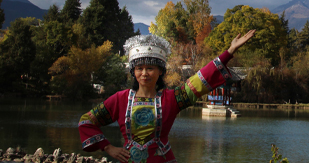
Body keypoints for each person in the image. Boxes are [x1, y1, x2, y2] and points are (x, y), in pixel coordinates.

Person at [78, 30, 255, 163]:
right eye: (139, 68)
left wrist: (229, 51)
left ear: (160, 71)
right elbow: (86, 121)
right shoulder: (120, 99)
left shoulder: (171, 99)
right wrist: (108, 147)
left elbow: (201, 78)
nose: (144, 73)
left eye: (150, 68)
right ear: (133, 72)